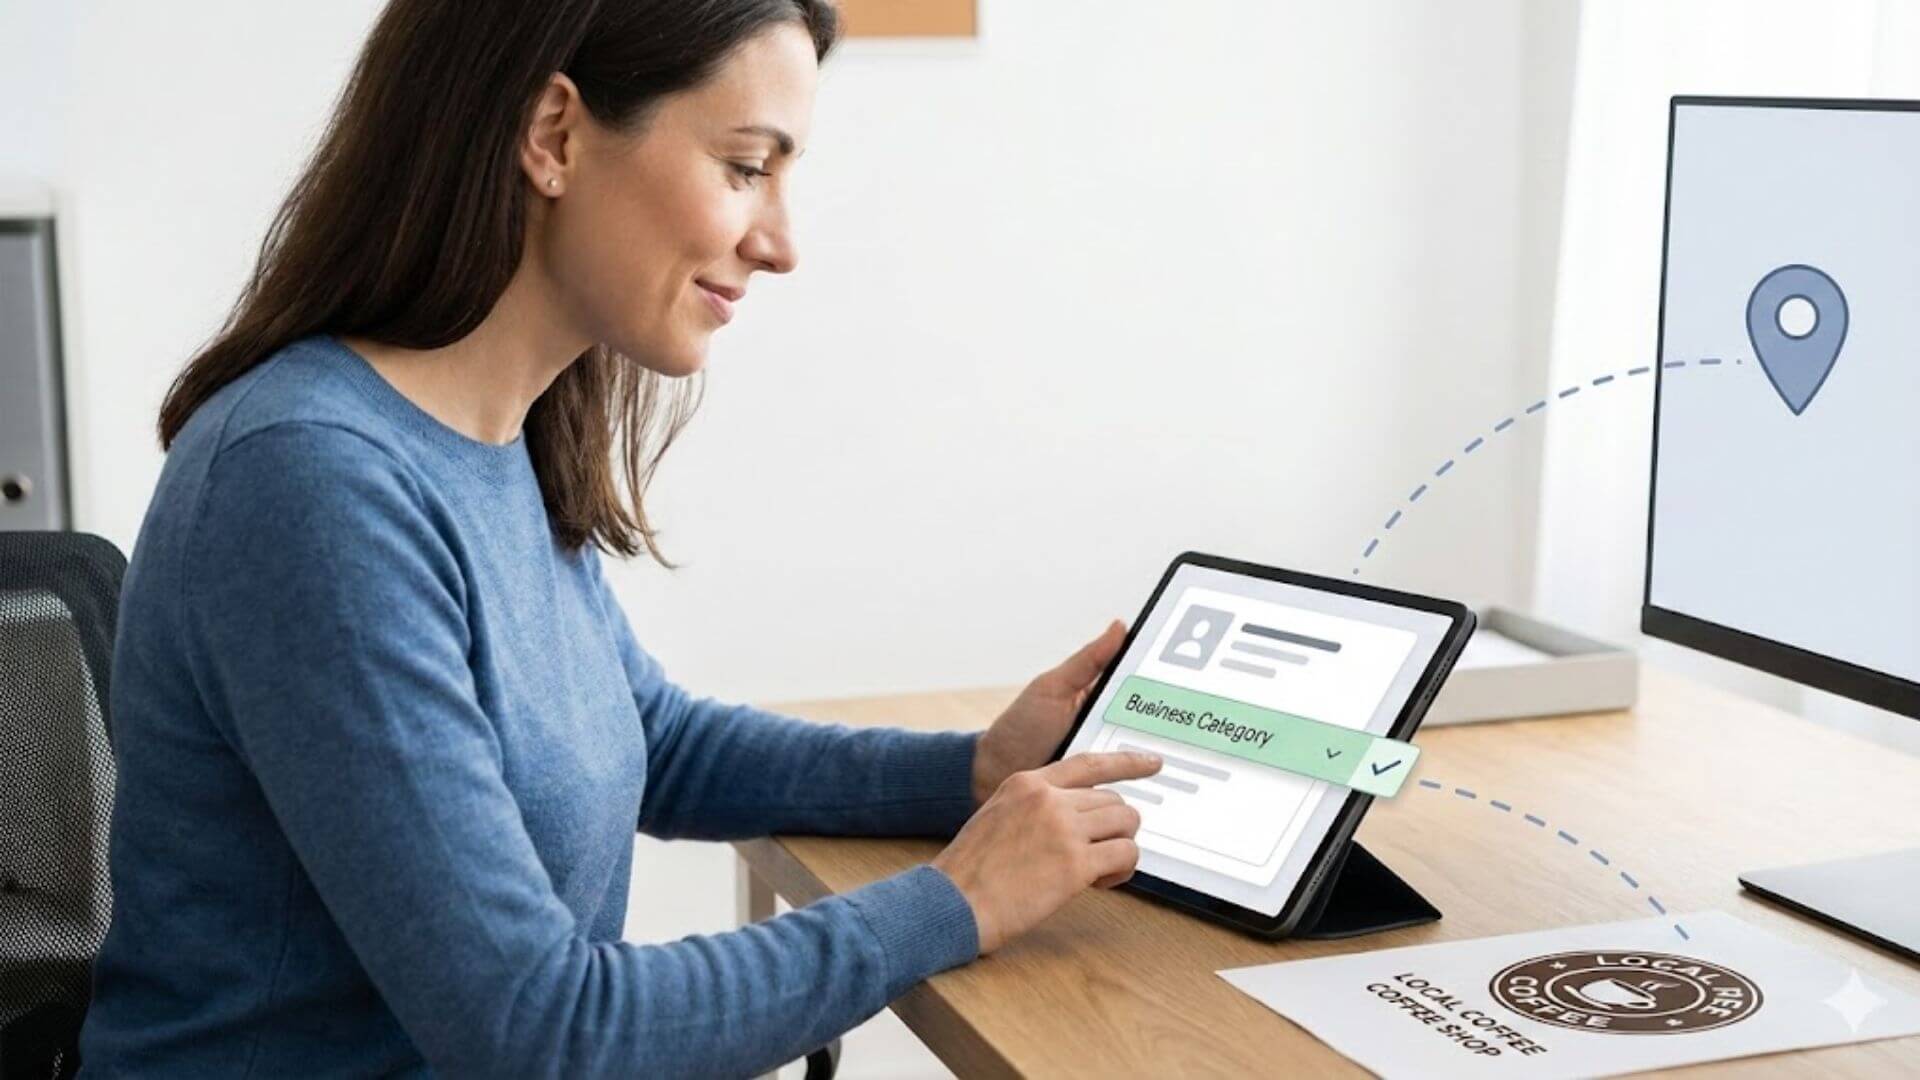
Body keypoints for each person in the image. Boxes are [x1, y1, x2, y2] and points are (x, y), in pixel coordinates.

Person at [75, 1, 1162, 1076]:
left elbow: (655, 743)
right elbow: (542, 1030)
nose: (780, 243)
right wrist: (958, 899)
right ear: (553, 136)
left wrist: (972, 772)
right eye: (746, 167)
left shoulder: (493, 434)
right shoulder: (312, 482)